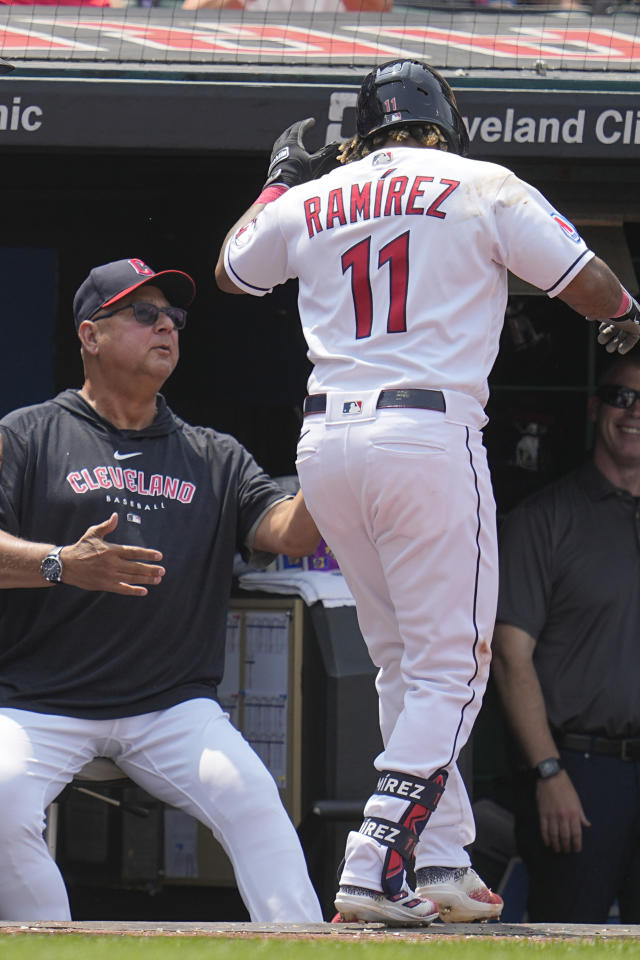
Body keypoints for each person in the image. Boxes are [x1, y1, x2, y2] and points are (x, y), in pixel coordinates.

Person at [214, 58, 640, 926]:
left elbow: (233, 272)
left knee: (403, 659)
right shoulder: (479, 179)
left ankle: (440, 859)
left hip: (328, 442)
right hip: (426, 433)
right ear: (444, 118)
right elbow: (586, 279)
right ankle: (378, 856)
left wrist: (276, 186)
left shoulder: (315, 193)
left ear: (367, 126)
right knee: (455, 660)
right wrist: (624, 315)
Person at [0, 256, 323, 923]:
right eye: (144, 315)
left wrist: (335, 455)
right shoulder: (26, 436)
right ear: (90, 335)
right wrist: (62, 562)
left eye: (173, 317)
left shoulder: (214, 453)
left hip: (171, 707)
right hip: (40, 702)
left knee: (258, 809)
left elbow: (290, 535)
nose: (167, 328)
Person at [492, 352, 640, 923]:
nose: (631, 412)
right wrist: (548, 773)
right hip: (578, 772)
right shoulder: (543, 520)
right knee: (569, 936)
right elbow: (510, 659)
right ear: (595, 407)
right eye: (620, 396)